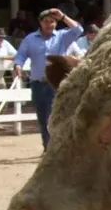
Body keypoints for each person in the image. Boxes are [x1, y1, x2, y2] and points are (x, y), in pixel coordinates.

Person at [13, 8, 84, 151]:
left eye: (52, 21)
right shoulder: (30, 39)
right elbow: (20, 55)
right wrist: (18, 65)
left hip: (59, 83)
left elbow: (78, 29)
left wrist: (63, 16)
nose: (49, 24)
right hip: (38, 83)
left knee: (62, 114)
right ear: (40, 22)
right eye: (46, 21)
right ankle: (48, 147)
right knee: (43, 116)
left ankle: (62, 146)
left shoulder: (63, 37)